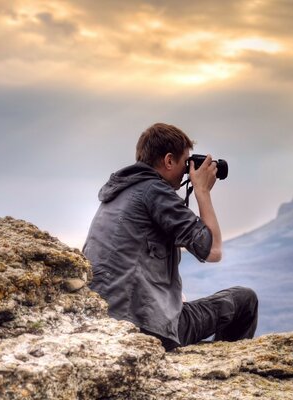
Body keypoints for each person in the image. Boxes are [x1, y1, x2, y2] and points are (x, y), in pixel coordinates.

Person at [83, 122, 258, 351]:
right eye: (186, 162)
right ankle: (225, 367)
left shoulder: (120, 192)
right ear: (168, 161)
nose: (188, 170)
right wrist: (202, 191)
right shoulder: (154, 191)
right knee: (245, 300)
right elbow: (213, 250)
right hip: (144, 327)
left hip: (106, 320)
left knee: (187, 311)